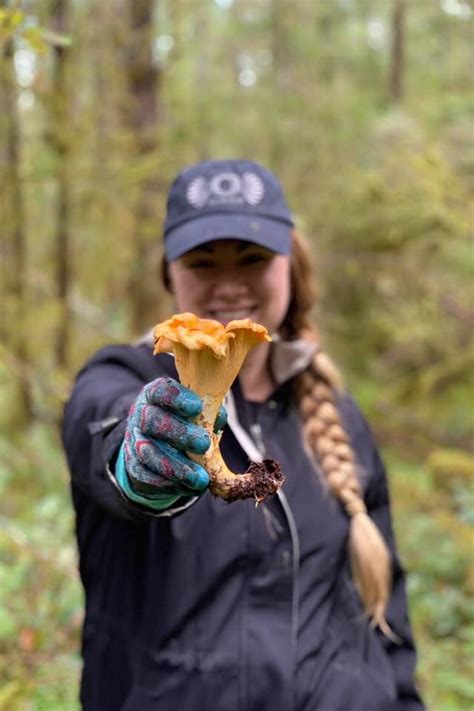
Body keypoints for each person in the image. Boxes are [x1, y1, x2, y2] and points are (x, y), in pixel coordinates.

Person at [62, 159, 424, 711]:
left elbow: (387, 617)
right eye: (202, 261)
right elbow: (104, 433)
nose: (228, 283)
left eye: (253, 258)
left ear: (291, 269)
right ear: (169, 275)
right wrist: (143, 466)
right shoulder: (121, 378)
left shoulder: (340, 417)